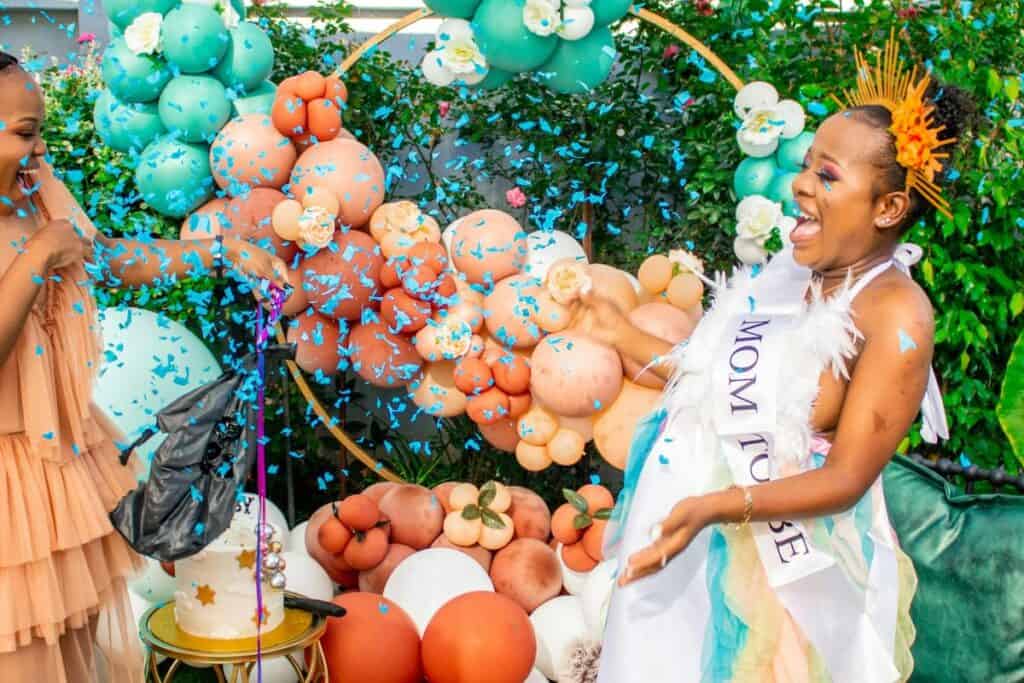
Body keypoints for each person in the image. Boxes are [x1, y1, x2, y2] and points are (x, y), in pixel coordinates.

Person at [580, 37, 976, 682]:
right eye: (807, 164)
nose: (800, 183)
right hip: (682, 548)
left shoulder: (895, 313)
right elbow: (709, 376)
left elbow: (845, 478)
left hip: (783, 584)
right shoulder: (789, 273)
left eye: (827, 174)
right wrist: (616, 331)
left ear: (888, 208)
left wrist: (712, 505)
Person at [0, 52, 289, 681]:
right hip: (5, 492)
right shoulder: (33, 232)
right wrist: (35, 259)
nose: (40, 150)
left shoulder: (37, 200)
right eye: (24, 133)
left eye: (41, 131)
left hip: (56, 467)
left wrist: (222, 250)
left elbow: (105, 260)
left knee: (71, 645)